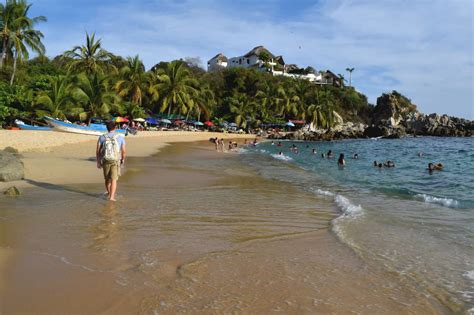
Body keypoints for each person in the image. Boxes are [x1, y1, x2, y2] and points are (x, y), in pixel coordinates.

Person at [96, 121, 126, 201]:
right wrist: (123, 159)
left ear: (107, 128)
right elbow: (123, 151)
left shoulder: (102, 137)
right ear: (115, 127)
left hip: (105, 160)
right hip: (115, 160)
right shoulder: (120, 137)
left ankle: (109, 193)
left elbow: (98, 151)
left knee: (107, 179)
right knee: (114, 179)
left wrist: (98, 162)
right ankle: (112, 197)